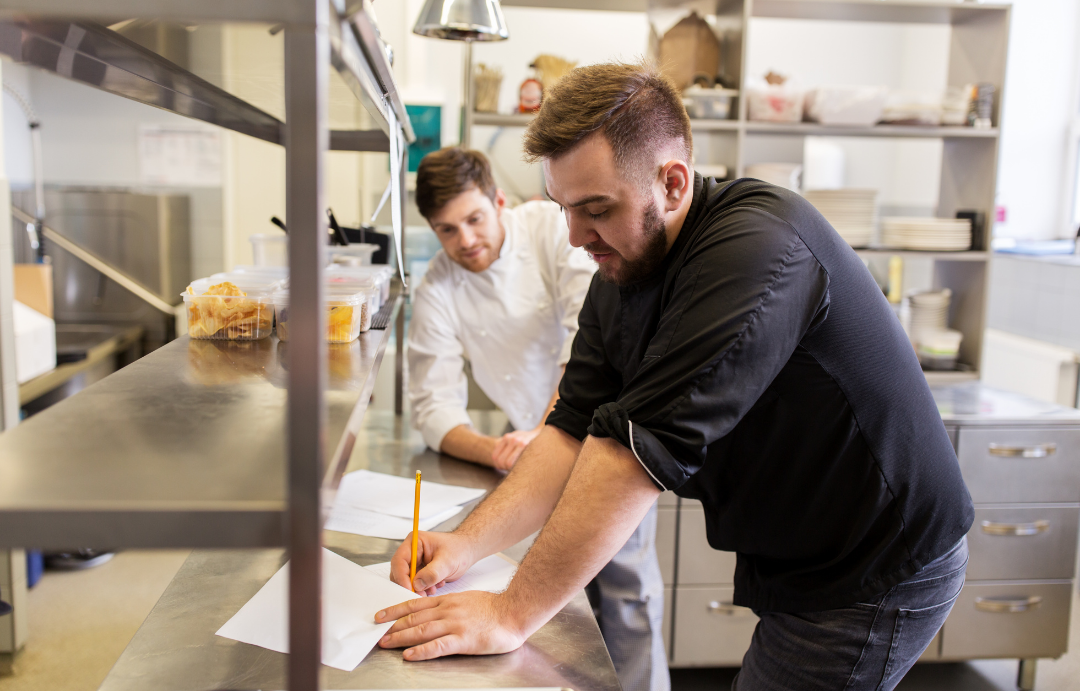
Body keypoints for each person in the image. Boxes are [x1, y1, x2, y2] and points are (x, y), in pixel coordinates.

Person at [377, 63, 973, 691]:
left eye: (595, 209)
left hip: (877, 557)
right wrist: (467, 545)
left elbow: (632, 452)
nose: (576, 236)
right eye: (564, 209)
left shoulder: (757, 248)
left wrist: (509, 612)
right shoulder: (625, 264)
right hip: (803, 548)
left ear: (672, 182)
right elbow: (573, 427)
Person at [407, 147, 670, 691]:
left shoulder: (554, 232)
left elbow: (590, 345)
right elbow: (432, 406)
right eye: (447, 230)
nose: (466, 240)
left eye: (475, 219)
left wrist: (547, 429)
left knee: (626, 599)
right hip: (530, 463)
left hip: (612, 440)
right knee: (552, 612)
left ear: (498, 201)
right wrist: (501, 449)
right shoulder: (437, 288)